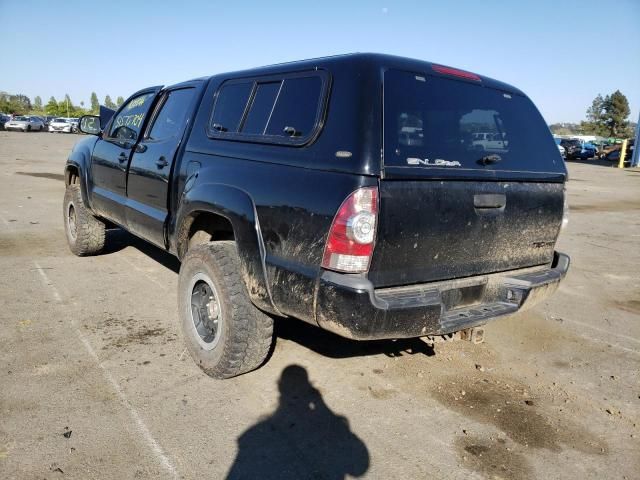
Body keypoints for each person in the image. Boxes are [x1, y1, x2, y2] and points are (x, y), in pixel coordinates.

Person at [226, 365, 369, 479]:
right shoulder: (252, 436)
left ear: (280, 388)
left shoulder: (251, 435)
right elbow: (358, 468)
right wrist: (321, 404)